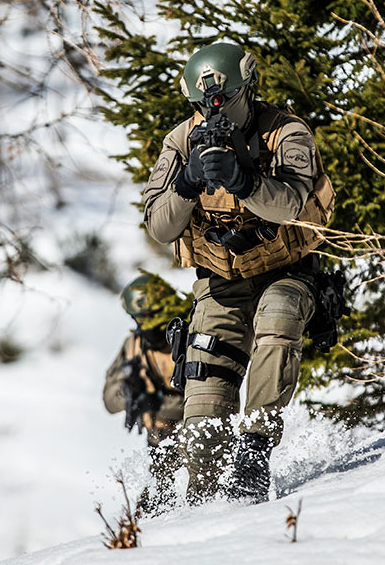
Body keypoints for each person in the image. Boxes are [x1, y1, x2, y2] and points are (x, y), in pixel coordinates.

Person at [141, 41, 335, 504]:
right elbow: (159, 225)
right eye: (202, 105)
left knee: (279, 316)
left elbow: (290, 205)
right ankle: (204, 518)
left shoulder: (286, 132)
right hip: (220, 285)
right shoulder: (180, 141)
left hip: (285, 272)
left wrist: (243, 180)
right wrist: (187, 182)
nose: (213, 112)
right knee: (203, 427)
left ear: (248, 91)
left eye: (225, 101)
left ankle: (254, 450)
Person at [102, 273, 186, 515]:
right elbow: (109, 400)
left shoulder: (186, 339)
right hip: (160, 450)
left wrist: (155, 402)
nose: (146, 325)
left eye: (150, 317)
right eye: (139, 319)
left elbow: (205, 399)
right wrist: (129, 392)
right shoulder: (134, 346)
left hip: (197, 445)